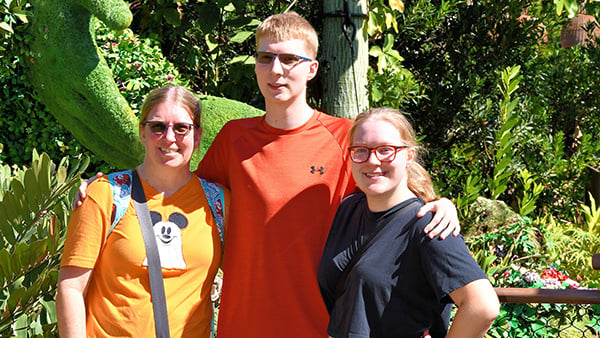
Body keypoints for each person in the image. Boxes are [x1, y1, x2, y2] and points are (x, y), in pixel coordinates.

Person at [75, 12, 460, 338]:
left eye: (289, 59)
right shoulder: (234, 138)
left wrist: (439, 204)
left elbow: (394, 195)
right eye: (265, 58)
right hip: (240, 326)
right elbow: (182, 193)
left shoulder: (344, 137)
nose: (276, 70)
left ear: (311, 68)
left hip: (322, 325)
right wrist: (107, 186)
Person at [57, 85, 229, 337]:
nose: (169, 137)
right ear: (142, 132)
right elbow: (71, 288)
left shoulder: (219, 203)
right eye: (158, 126)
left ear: (197, 135)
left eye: (181, 128)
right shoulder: (107, 195)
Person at [318, 107, 499, 338]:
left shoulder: (427, 224)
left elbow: (483, 306)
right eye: (361, 150)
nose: (372, 160)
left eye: (386, 150)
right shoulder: (349, 209)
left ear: (409, 156)